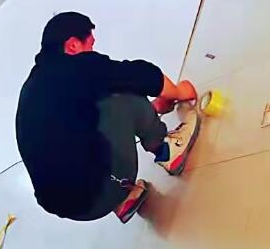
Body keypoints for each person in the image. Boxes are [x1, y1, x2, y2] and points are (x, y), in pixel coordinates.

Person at [15, 12, 198, 223]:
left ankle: (124, 199)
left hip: (72, 208)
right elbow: (141, 75)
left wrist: (151, 109)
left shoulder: (33, 87)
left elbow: (74, 127)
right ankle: (167, 150)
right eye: (90, 45)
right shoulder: (78, 67)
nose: (93, 51)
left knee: (96, 108)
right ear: (73, 45)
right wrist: (178, 92)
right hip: (100, 190)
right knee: (120, 91)